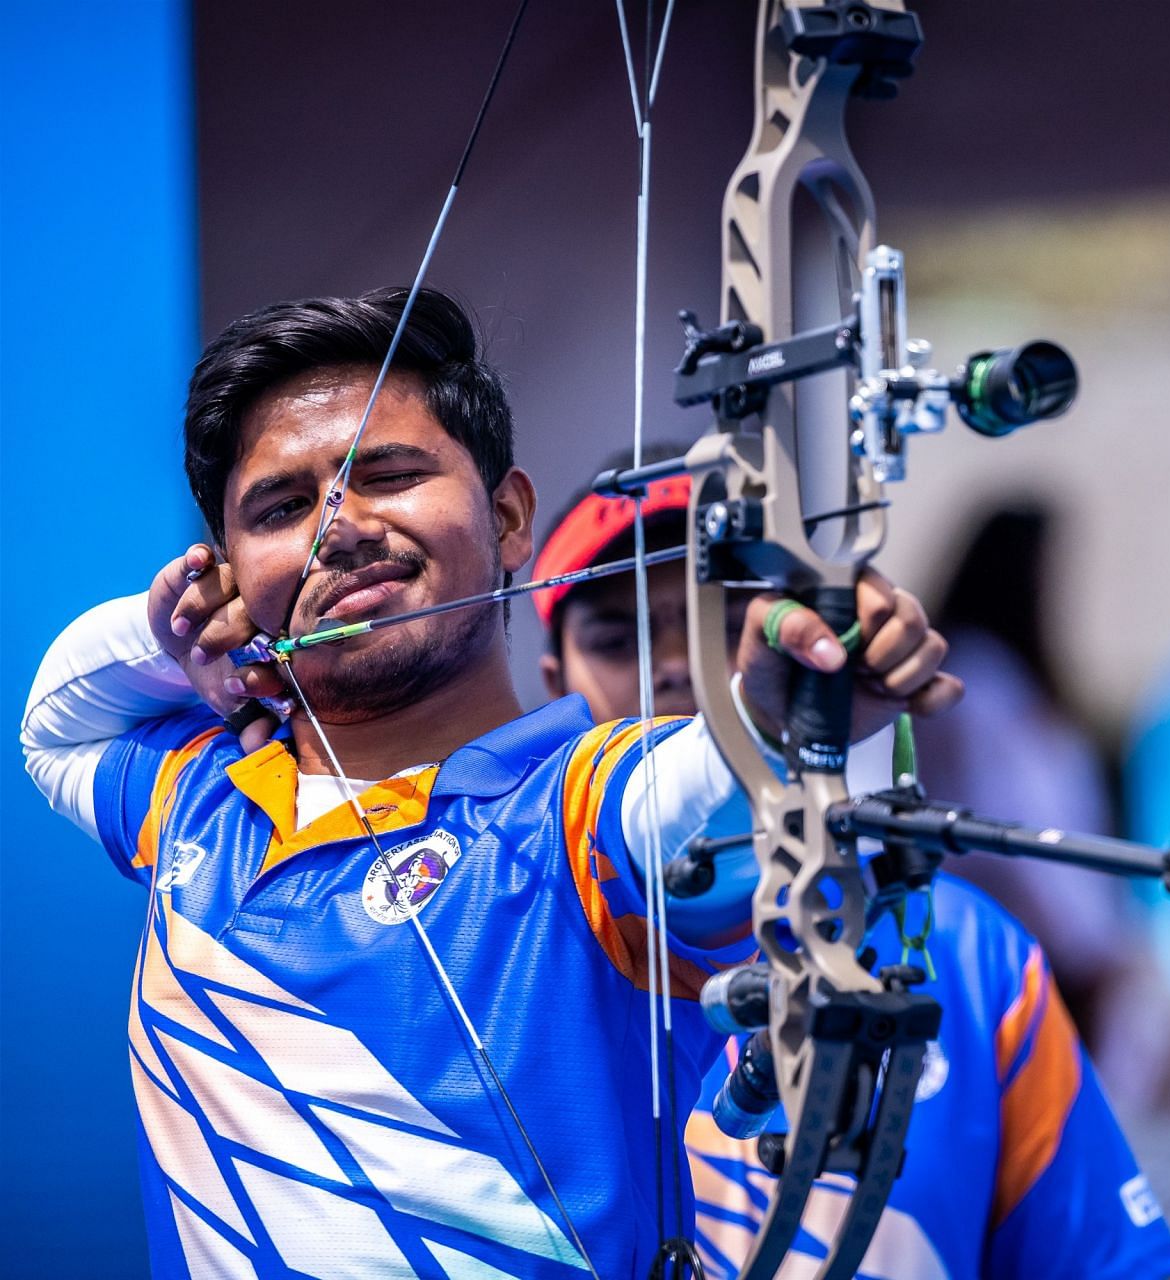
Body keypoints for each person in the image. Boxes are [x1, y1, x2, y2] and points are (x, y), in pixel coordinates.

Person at [19, 287, 959, 1280]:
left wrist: (779, 706)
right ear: (230, 566)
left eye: (387, 473)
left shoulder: (579, 802)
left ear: (509, 518)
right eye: (282, 508)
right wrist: (175, 627)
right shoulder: (197, 802)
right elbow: (51, 728)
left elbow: (692, 802)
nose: (340, 528)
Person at [532, 473, 1170, 1279]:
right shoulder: (502, 940)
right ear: (555, 685)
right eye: (618, 636)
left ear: (804, 651)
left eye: (730, 622)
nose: (677, 665)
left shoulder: (971, 951)